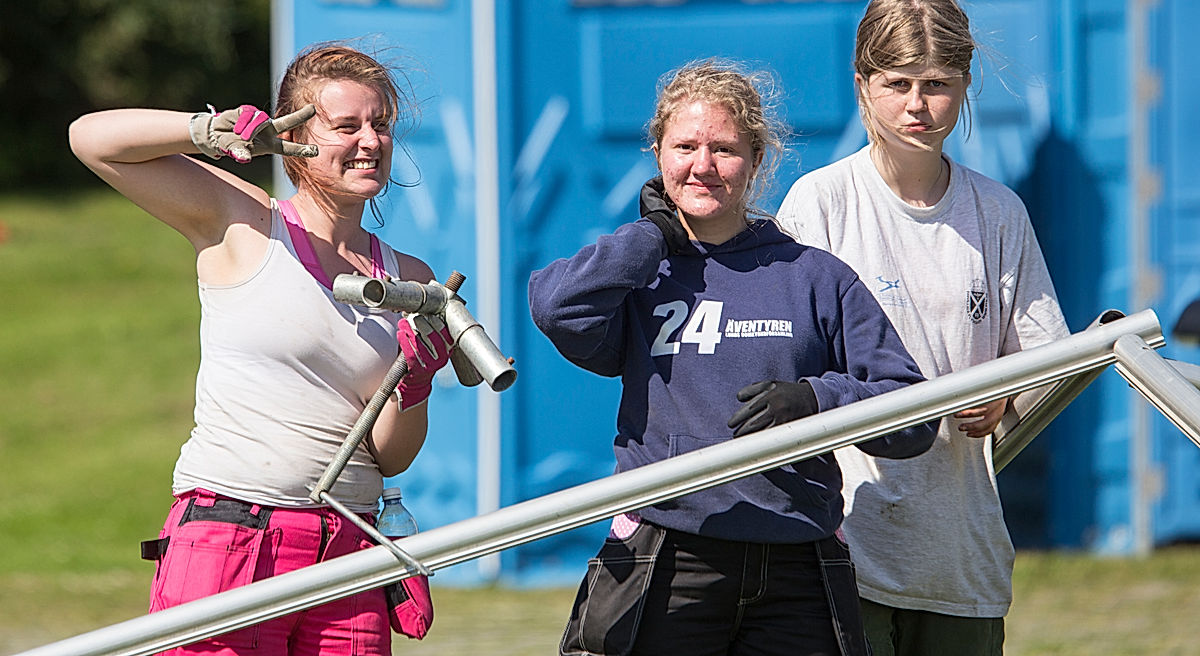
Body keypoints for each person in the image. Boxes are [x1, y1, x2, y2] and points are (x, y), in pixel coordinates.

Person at [527, 59, 938, 656]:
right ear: (657, 155)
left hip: (798, 560)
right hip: (667, 551)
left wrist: (818, 400)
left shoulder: (815, 277)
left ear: (756, 159)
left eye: (724, 149)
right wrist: (652, 234)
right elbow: (554, 306)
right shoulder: (642, 274)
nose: (703, 166)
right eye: (684, 147)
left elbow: (916, 419)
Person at [69, 43, 452, 655]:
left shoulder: (410, 275)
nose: (370, 141)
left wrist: (415, 384)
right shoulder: (244, 220)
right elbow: (91, 139)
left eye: (380, 123)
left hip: (350, 547)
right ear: (295, 136)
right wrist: (206, 132)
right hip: (233, 534)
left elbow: (391, 456)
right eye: (346, 126)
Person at [776, 0, 1071, 656]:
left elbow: (1049, 363)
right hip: (843, 551)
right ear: (863, 86)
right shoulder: (819, 204)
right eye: (898, 83)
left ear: (966, 85)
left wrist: (1007, 395)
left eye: (937, 84)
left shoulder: (998, 212)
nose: (917, 104)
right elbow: (784, 372)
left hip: (960, 558)